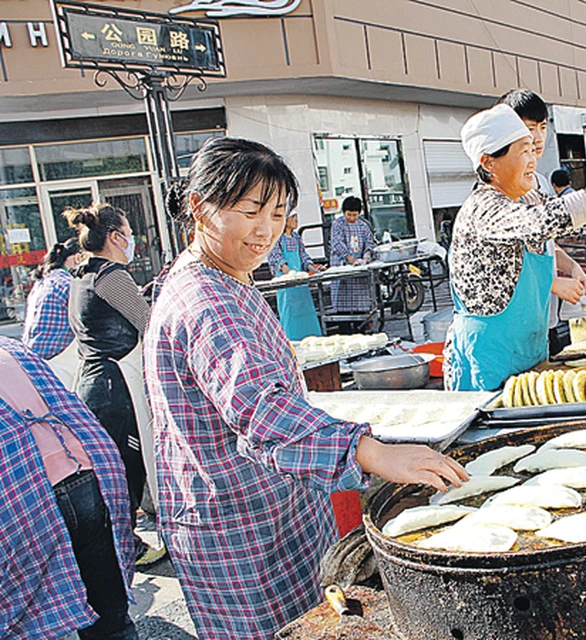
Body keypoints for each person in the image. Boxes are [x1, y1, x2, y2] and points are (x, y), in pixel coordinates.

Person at [144, 137, 468, 638]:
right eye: (250, 211)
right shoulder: (207, 298)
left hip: (274, 506)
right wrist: (369, 451)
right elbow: (260, 409)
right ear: (198, 207)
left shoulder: (224, 275)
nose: (266, 230)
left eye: (277, 214)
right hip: (240, 525)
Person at [445, 104, 586, 391]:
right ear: (489, 163)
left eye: (532, 150)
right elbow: (547, 221)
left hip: (529, 350)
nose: (532, 161)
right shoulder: (483, 208)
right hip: (489, 356)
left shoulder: (528, 199)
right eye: (522, 151)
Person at [0, 337, 138, 639]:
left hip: (21, 497)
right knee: (109, 616)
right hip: (87, 472)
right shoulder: (11, 348)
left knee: (27, 619)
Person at [66, 203, 164, 567]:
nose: (132, 241)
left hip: (95, 383)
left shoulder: (82, 275)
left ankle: (124, 540)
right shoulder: (112, 275)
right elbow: (148, 322)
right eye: (128, 232)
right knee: (126, 467)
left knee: (113, 466)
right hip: (115, 386)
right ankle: (128, 546)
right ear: (115, 237)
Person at [497, 89, 586, 356]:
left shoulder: (538, 182)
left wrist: (570, 266)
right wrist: (551, 283)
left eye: (542, 127)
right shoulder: (495, 192)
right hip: (512, 331)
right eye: (528, 128)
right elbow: (503, 261)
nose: (537, 137)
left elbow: (543, 241)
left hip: (544, 320)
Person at [21, 237, 81, 359]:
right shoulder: (68, 285)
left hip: (32, 356)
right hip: (54, 359)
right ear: (78, 258)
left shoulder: (43, 281)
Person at [267, 210, 323, 340]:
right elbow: (276, 257)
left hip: (301, 284)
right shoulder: (277, 238)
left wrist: (311, 267)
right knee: (289, 314)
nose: (296, 220)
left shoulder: (296, 237)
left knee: (306, 313)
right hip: (286, 284)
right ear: (285, 220)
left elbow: (303, 255)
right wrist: (288, 272)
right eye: (293, 217)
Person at [329, 196, 377, 314]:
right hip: (342, 267)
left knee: (360, 308)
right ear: (344, 212)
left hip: (359, 270)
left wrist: (367, 255)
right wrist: (351, 259)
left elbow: (370, 242)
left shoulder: (363, 226)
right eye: (349, 214)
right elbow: (337, 243)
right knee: (342, 308)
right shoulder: (337, 224)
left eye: (354, 215)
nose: (351, 218)